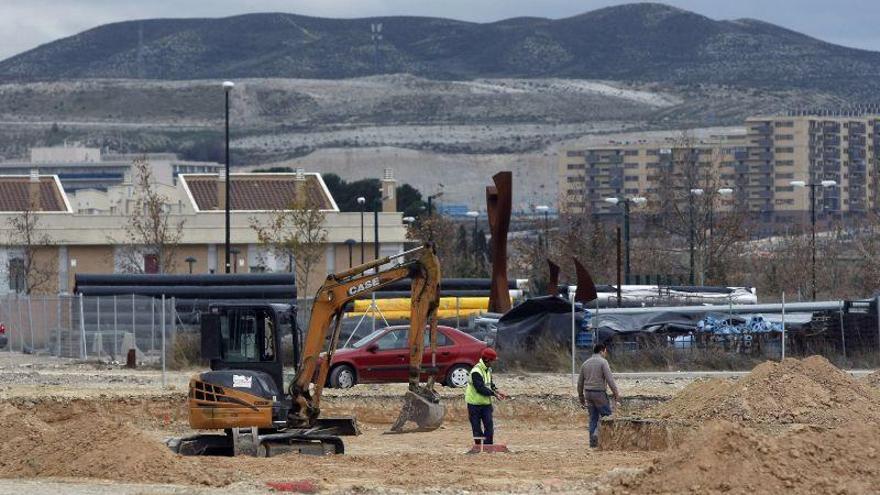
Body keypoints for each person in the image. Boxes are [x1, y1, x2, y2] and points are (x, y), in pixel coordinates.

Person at [577, 343, 620, 448]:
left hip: (588, 393)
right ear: (602, 351)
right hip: (599, 393)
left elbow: (579, 383)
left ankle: (593, 442)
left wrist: (581, 397)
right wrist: (616, 393)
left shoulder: (585, 363)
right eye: (605, 351)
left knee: (593, 418)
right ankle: (605, 439)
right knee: (607, 416)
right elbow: (610, 380)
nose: (606, 354)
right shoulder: (603, 362)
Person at [465, 347, 508, 448]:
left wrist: (497, 390)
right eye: (492, 360)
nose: (493, 362)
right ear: (487, 360)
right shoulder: (476, 371)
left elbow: (490, 384)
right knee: (476, 428)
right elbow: (480, 388)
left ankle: (488, 447)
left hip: (485, 404)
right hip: (474, 404)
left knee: (489, 427)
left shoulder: (488, 370)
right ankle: (479, 448)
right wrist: (494, 394)